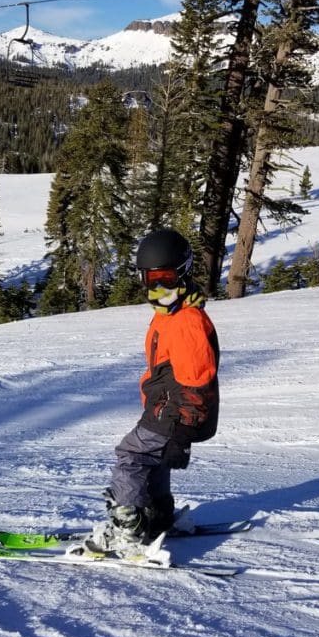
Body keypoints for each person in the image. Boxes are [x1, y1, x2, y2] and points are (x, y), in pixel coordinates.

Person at [85, 229, 220, 554]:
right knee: (152, 459)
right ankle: (157, 518)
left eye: (166, 278)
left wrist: (181, 432)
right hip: (166, 408)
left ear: (183, 273)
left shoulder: (187, 320)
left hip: (176, 412)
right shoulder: (169, 315)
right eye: (150, 279)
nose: (158, 288)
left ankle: (126, 530)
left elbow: (197, 381)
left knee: (131, 456)